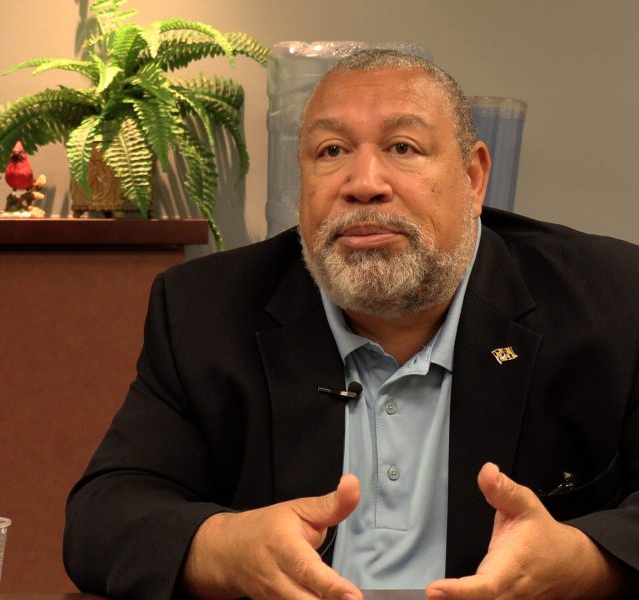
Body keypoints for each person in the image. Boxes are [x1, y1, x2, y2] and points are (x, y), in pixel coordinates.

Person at [63, 49, 639, 599]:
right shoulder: (204, 309)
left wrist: (585, 562)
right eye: (331, 151)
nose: (363, 182)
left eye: (403, 147)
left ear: (473, 177)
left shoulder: (609, 298)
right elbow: (104, 516)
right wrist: (227, 548)